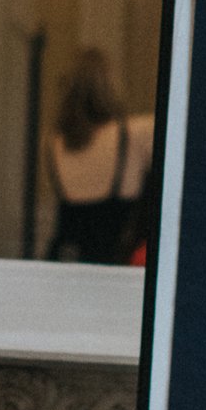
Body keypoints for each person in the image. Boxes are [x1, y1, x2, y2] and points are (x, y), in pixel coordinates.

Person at [44, 47, 155, 264]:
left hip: (66, 264)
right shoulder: (136, 132)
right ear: (110, 86)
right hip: (115, 266)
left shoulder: (53, 141)